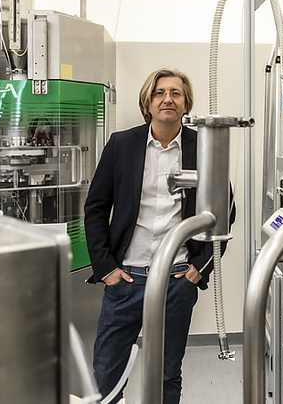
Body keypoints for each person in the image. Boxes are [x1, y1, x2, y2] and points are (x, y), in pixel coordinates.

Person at [84, 67, 233, 404]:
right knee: (106, 372)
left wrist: (200, 268)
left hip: (177, 280)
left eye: (175, 93)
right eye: (159, 93)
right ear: (148, 102)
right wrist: (106, 268)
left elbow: (225, 212)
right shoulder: (122, 145)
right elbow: (94, 208)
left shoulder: (202, 146)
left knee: (167, 372)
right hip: (125, 280)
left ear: (185, 104)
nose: (167, 99)